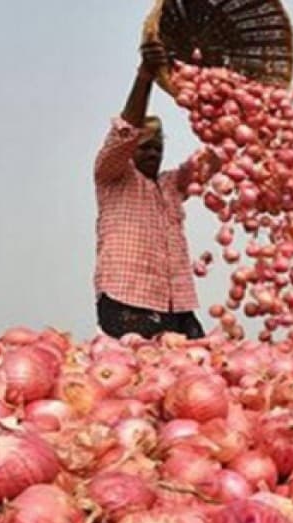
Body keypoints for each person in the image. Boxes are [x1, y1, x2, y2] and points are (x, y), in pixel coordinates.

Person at [92, 42, 216, 340]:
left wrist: (229, 112)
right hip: (127, 299)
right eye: (145, 147)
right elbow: (124, 131)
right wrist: (145, 77)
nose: (152, 153)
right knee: (142, 376)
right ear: (131, 149)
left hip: (178, 305)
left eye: (158, 147)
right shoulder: (112, 175)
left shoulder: (171, 184)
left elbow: (214, 160)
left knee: (193, 373)